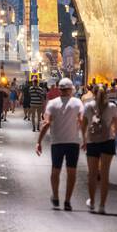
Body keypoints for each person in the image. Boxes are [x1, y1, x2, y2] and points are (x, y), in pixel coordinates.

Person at [36, 77, 83, 211]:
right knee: (71, 172)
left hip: (57, 142)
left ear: (59, 89)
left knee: (55, 170)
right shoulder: (77, 102)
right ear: (71, 89)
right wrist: (85, 139)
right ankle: (67, 201)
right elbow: (82, 121)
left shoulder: (52, 103)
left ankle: (56, 196)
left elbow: (46, 124)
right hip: (73, 142)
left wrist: (39, 142)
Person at [81, 85, 117, 213]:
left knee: (92, 174)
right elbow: (116, 123)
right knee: (104, 175)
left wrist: (84, 139)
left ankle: (92, 202)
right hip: (107, 141)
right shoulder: (112, 106)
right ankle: (102, 205)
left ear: (94, 92)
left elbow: (84, 124)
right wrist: (113, 133)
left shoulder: (88, 106)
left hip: (92, 142)